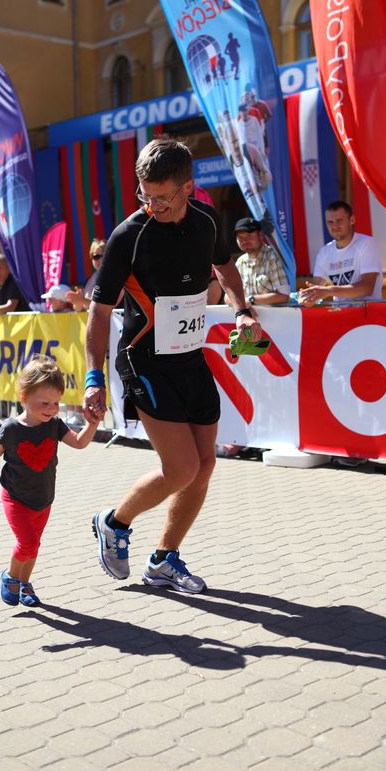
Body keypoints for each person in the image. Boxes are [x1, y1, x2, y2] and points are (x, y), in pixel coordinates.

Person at [83, 138, 260, 594]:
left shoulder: (206, 221)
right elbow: (99, 312)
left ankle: (164, 559)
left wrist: (242, 310)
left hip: (190, 357)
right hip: (143, 360)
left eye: (162, 197)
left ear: (188, 188)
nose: (152, 205)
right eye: (145, 195)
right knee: (181, 468)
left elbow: (225, 267)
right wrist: (93, 378)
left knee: (205, 464)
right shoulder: (129, 235)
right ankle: (114, 522)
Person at [0, 357, 99, 607]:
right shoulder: (12, 429)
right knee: (27, 543)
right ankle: (10, 576)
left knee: (33, 546)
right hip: (16, 499)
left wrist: (93, 423)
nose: (51, 409)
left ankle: (25, 584)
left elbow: (80, 443)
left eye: (56, 403)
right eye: (45, 403)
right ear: (24, 397)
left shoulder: (55, 425)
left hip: (44, 499)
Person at [299, 200, 383, 306]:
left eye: (339, 221)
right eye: (330, 222)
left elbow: (367, 288)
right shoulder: (324, 252)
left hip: (367, 313)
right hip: (340, 312)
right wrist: (309, 296)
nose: (335, 226)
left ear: (352, 220)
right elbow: (316, 286)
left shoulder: (366, 243)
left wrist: (329, 290)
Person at [225, 218, 290, 309]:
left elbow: (284, 296)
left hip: (276, 316)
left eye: (249, 236)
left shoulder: (273, 257)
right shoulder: (240, 262)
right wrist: (245, 304)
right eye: (240, 237)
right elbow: (227, 297)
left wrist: (250, 300)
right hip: (249, 316)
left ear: (261, 235)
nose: (244, 241)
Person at [67, 240, 106, 312]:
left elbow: (103, 306)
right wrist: (77, 302)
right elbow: (79, 308)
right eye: (96, 256)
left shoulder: (113, 278)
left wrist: (82, 300)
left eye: (104, 256)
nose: (100, 260)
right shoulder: (89, 279)